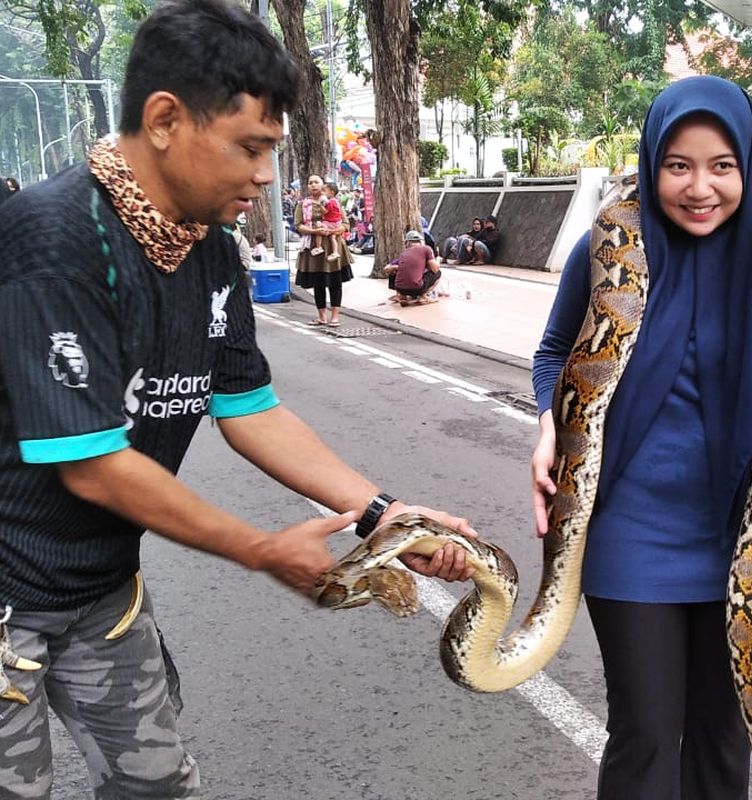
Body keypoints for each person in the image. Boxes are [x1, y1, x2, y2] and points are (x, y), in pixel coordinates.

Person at [0, 3, 476, 797]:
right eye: (250, 147)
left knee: (158, 785)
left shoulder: (212, 250)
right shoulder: (55, 239)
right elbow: (92, 466)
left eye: (273, 151)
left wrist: (383, 515)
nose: (265, 175)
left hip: (100, 589)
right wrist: (258, 548)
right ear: (164, 120)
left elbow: (248, 407)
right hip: (9, 592)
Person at [531, 75, 752, 800]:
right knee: (648, 733)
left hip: (741, 527)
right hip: (631, 526)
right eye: (678, 165)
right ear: (652, 161)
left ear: (746, 167)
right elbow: (552, 354)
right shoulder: (608, 242)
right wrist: (549, 423)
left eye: (722, 166)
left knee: (724, 740)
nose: (701, 187)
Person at [294, 174, 352, 327]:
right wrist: (315, 232)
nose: (313, 185)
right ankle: (321, 316)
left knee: (335, 283)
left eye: (316, 182)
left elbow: (345, 224)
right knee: (318, 283)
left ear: (323, 185)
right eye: (310, 182)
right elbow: (298, 225)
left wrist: (333, 231)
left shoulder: (334, 202)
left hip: (334, 246)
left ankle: (335, 316)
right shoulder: (303, 204)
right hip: (314, 247)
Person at [383, 230, 441, 306]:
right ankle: (423, 296)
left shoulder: (404, 253)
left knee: (398, 271)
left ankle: (402, 296)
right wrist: (438, 260)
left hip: (400, 289)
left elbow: (386, 269)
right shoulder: (426, 249)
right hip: (417, 288)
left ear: (407, 243)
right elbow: (435, 269)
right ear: (421, 242)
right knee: (438, 273)